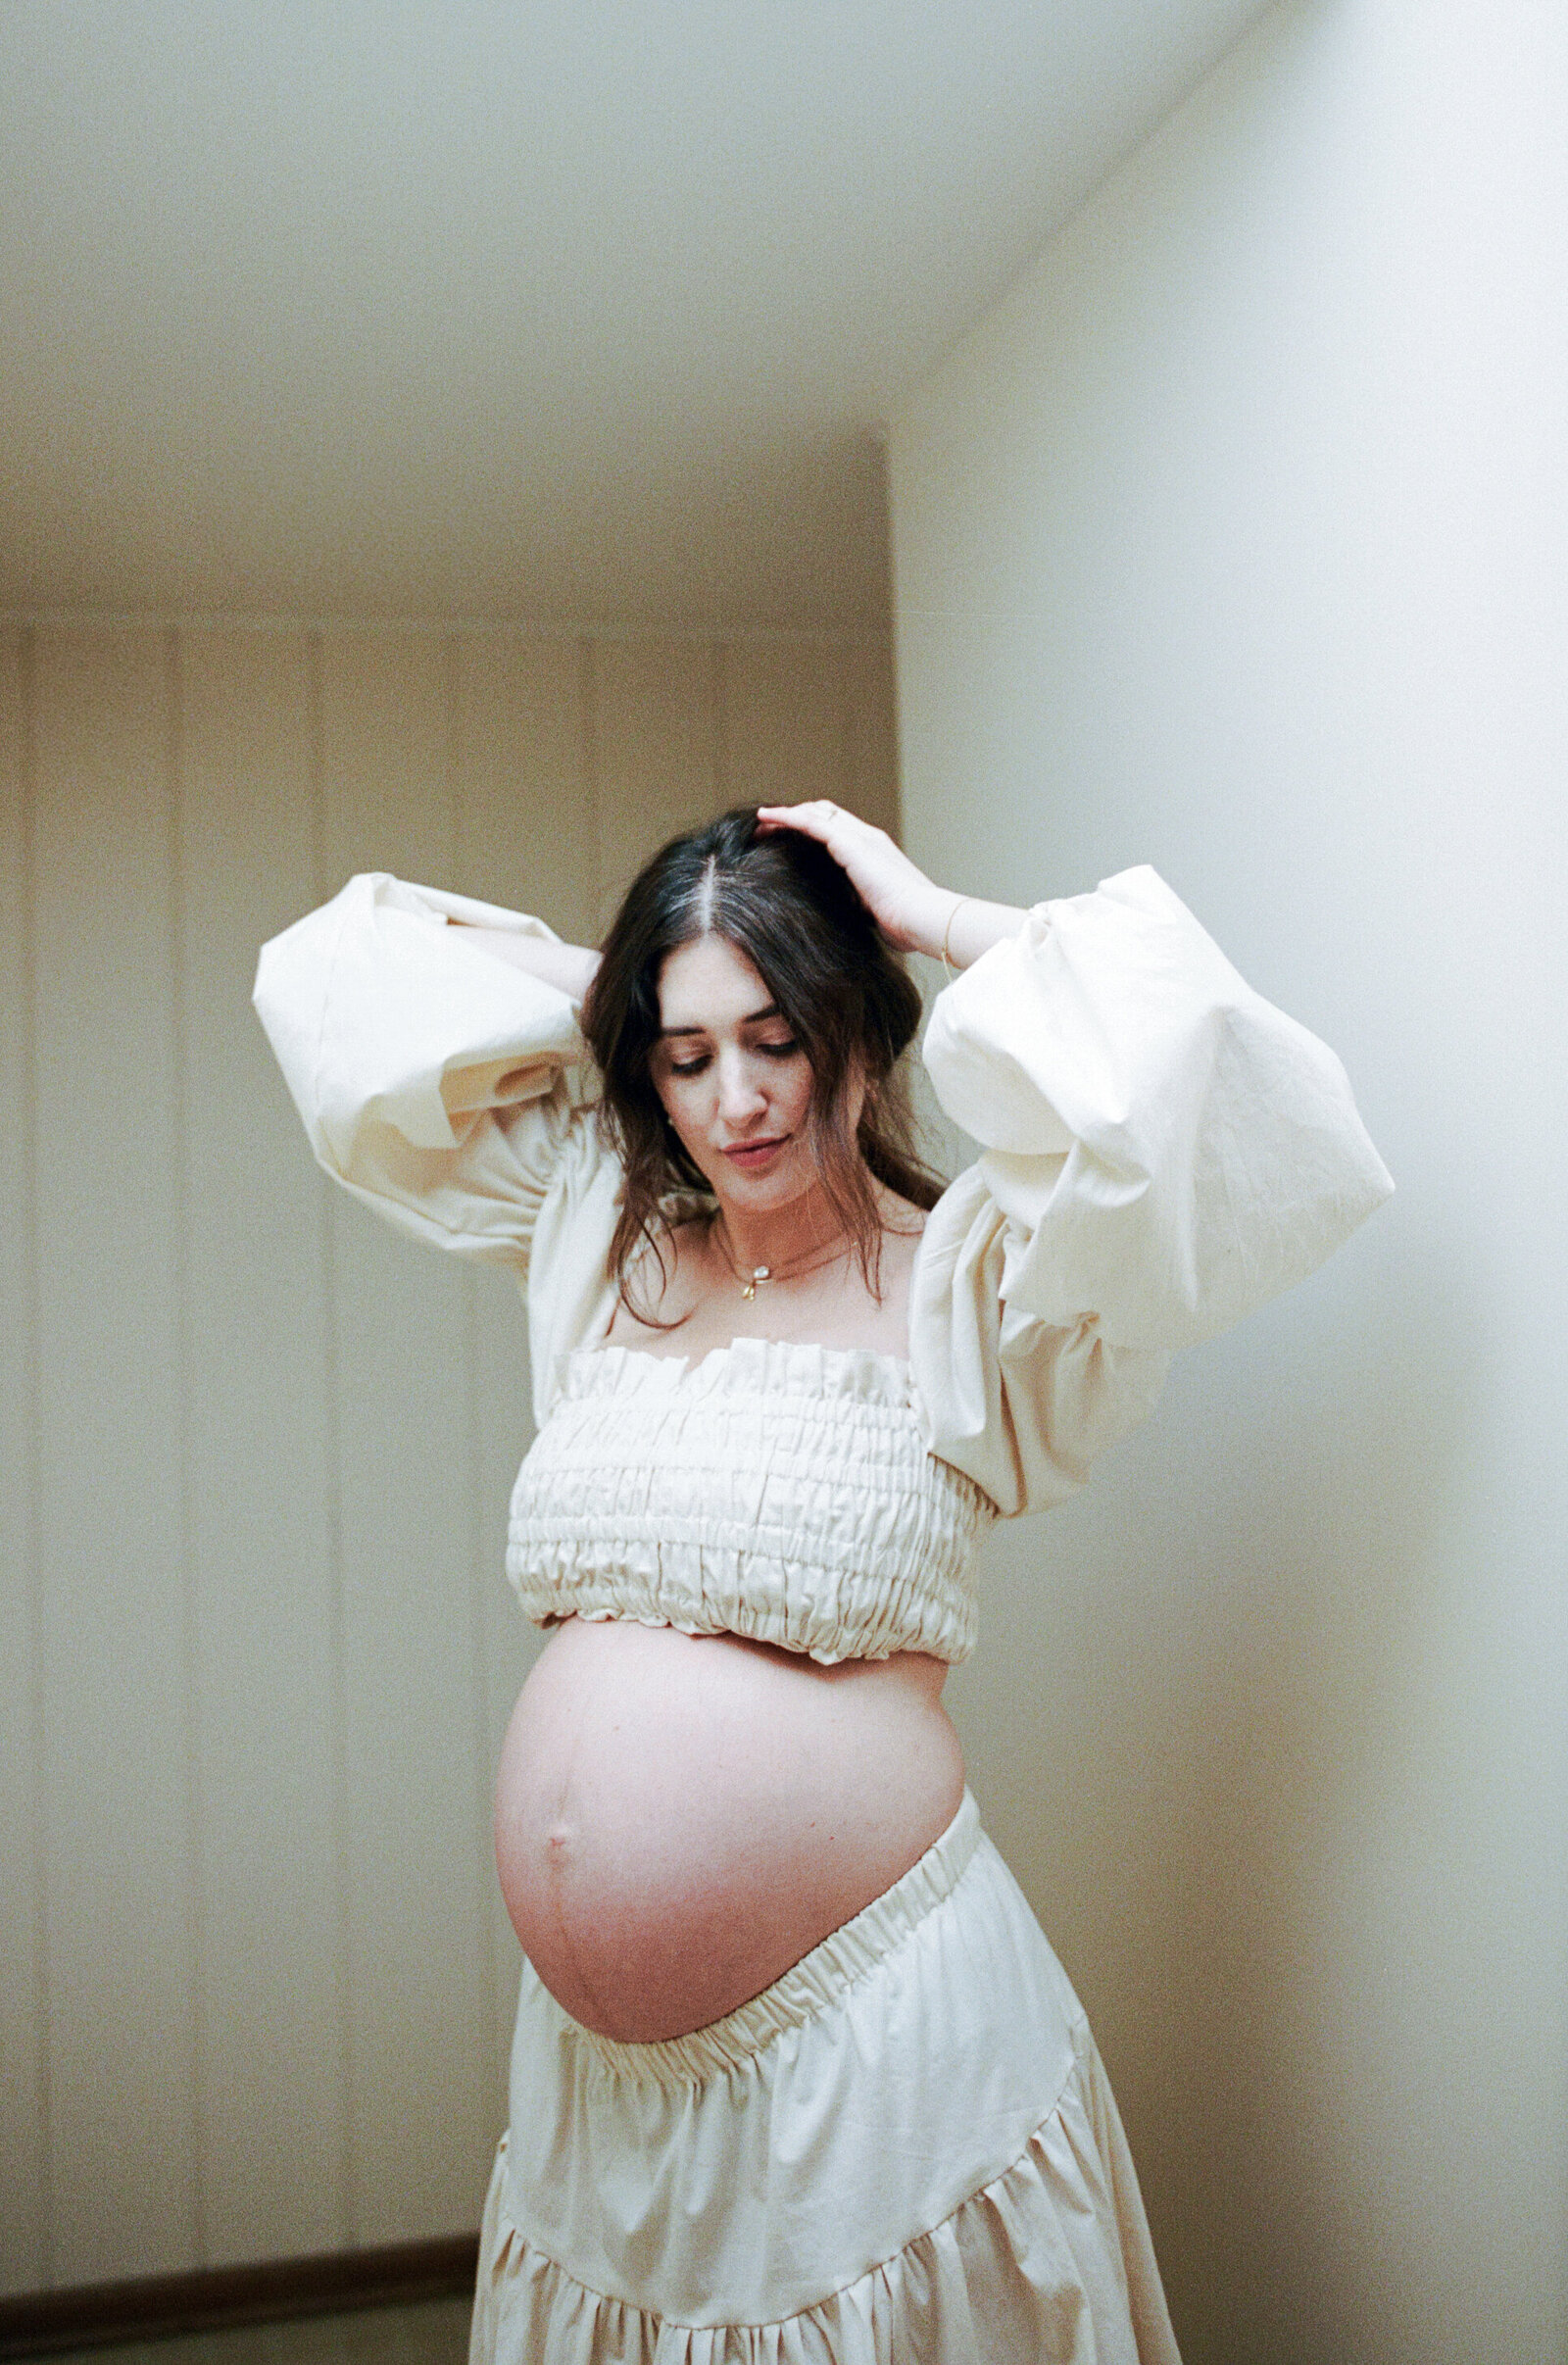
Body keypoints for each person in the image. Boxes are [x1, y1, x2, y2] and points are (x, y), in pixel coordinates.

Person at [254, 800, 1393, 2363]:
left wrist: (924, 912)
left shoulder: (985, 1279)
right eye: (687, 1053)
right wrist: (656, 968)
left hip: (881, 2058)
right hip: (606, 2100)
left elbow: (1212, 1079)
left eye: (776, 1035)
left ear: (858, 1035)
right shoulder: (604, 1235)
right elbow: (335, 991)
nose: (735, 1098)